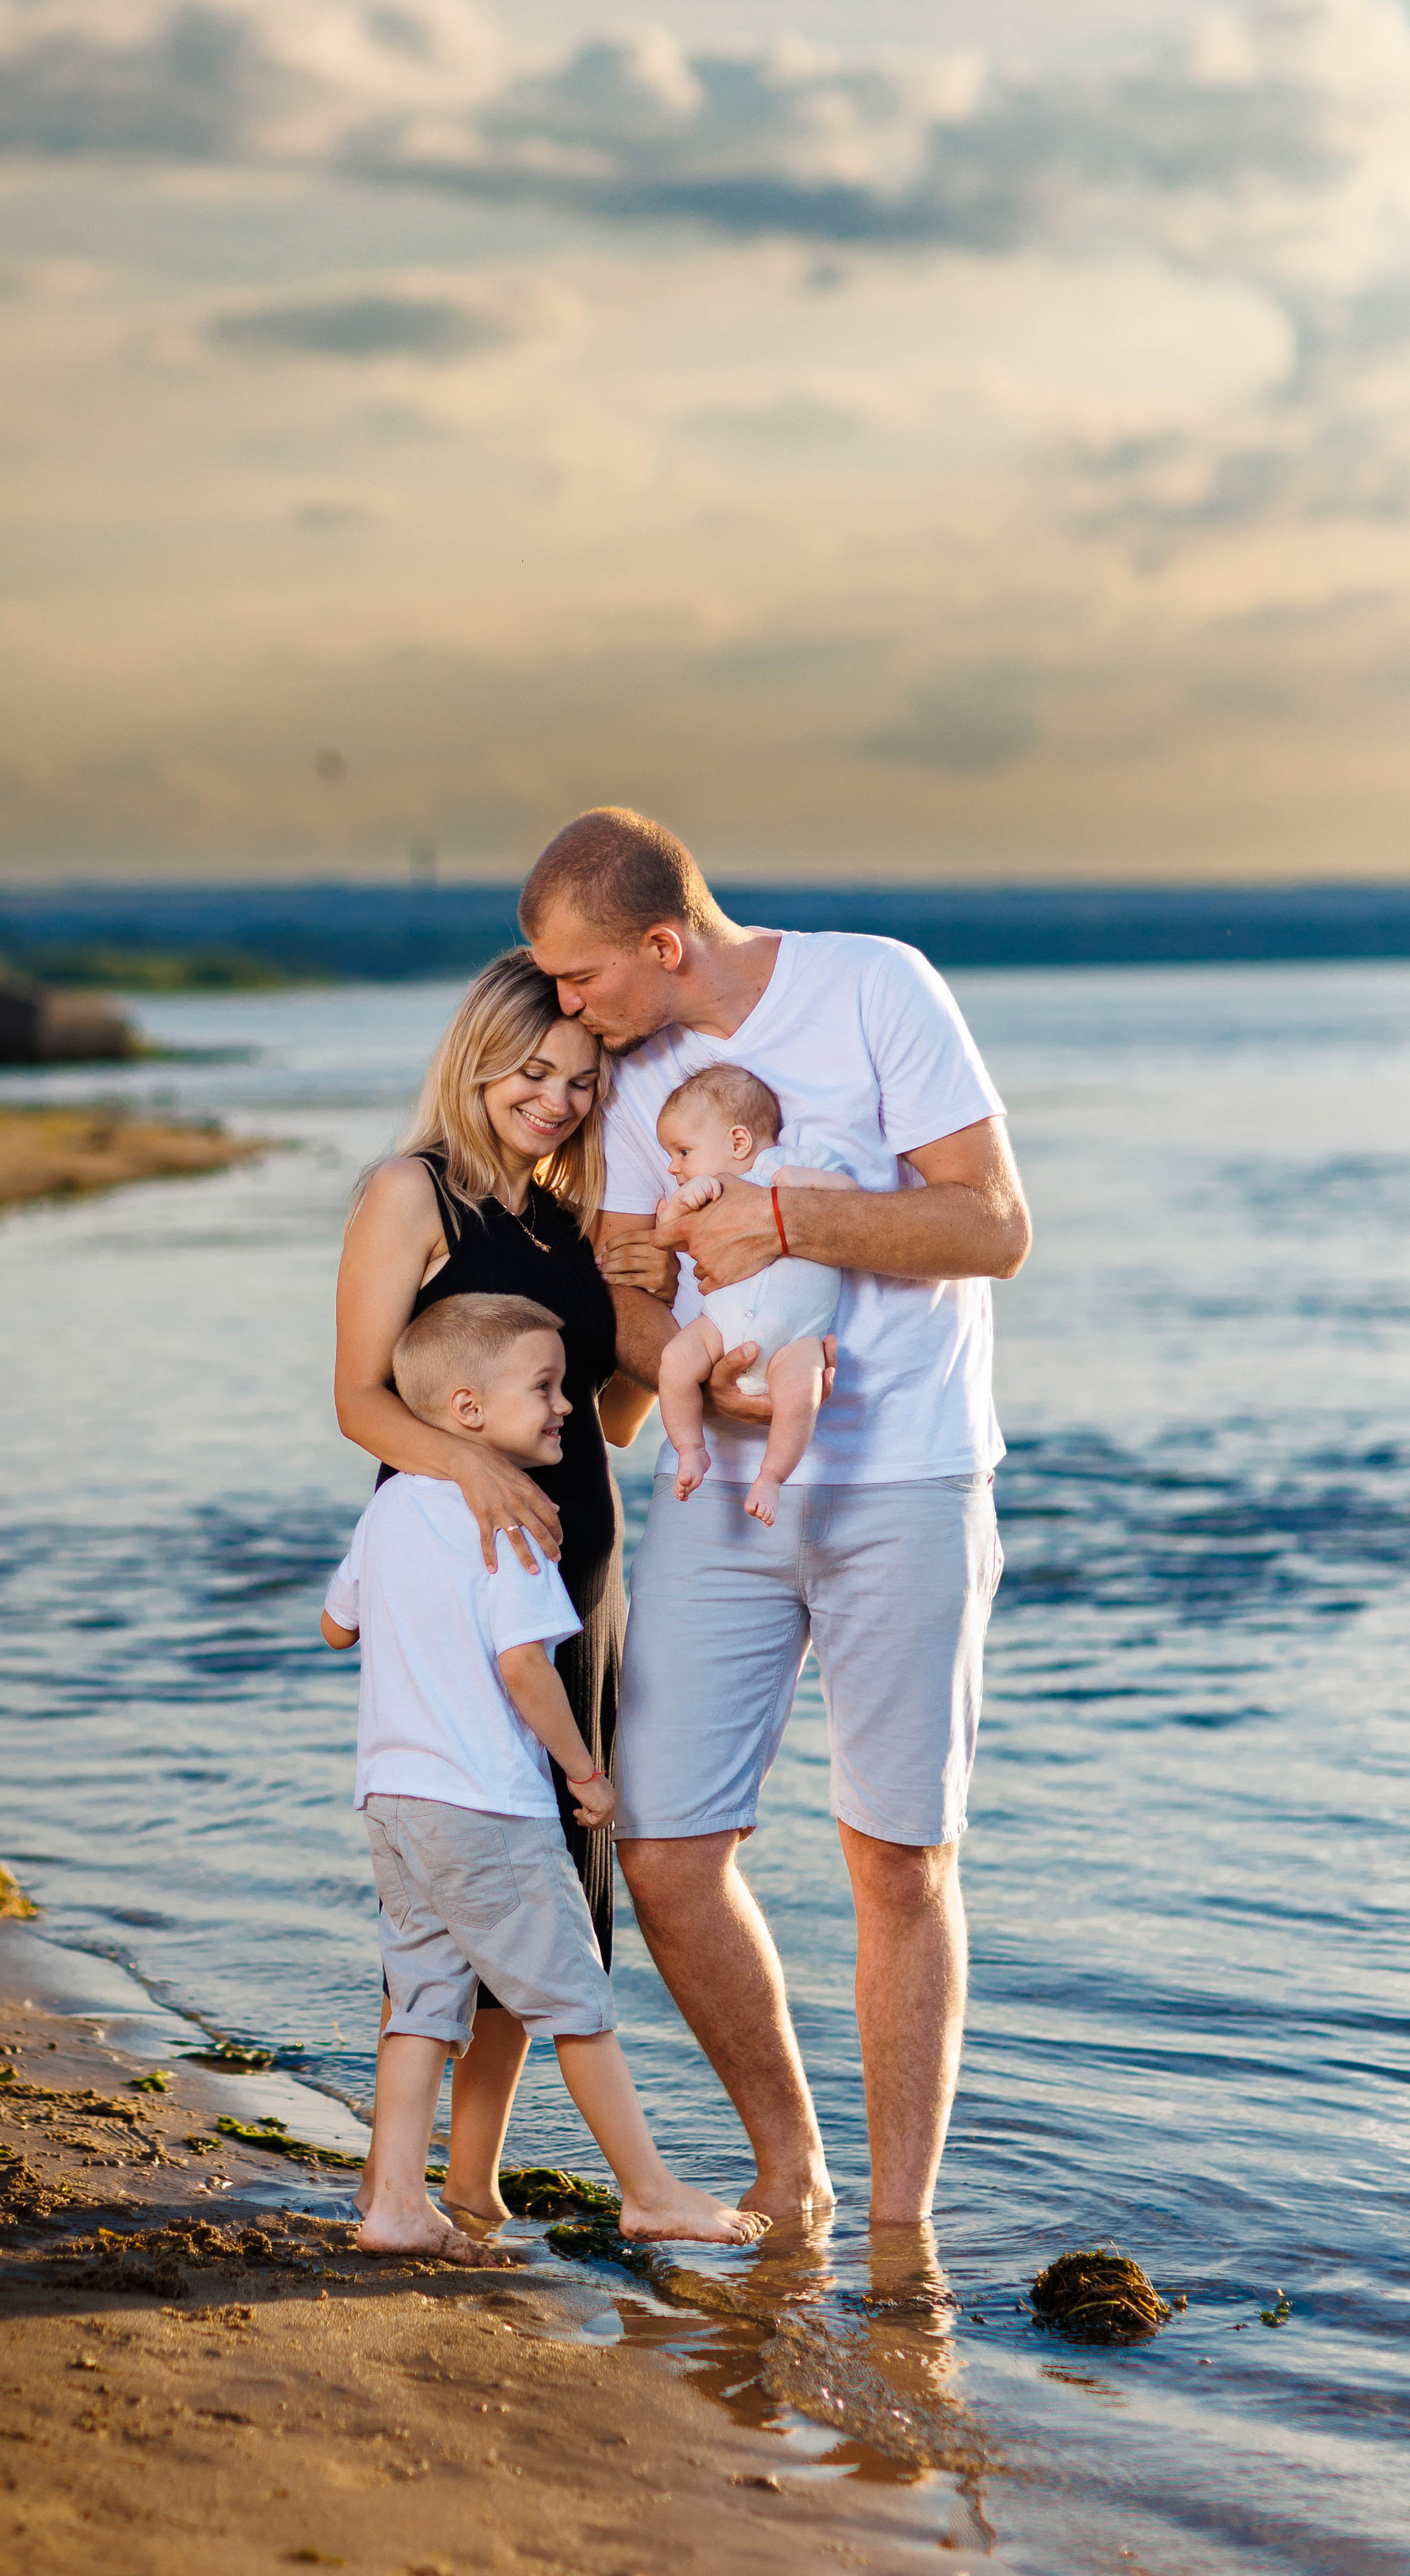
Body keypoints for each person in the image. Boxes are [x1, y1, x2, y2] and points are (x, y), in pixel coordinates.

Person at [520, 807, 1032, 2232]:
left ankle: (895, 2228)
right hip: (716, 1503)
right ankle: (788, 2171)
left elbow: (989, 1226)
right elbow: (627, 1296)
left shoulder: (877, 989)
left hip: (904, 1481)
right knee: (666, 1852)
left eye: (576, 979)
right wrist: (696, 1383)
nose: (566, 1009)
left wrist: (789, 1223)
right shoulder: (626, 1083)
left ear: (660, 945)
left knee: (896, 1859)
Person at [322, 1289, 765, 2262]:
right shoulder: (514, 1526)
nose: (569, 1405)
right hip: (487, 1805)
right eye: (547, 1386)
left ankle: (395, 2199)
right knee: (577, 2003)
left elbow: (335, 1623)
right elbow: (527, 1667)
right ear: (469, 1410)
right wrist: (587, 1773)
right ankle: (648, 2191)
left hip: (394, 1799)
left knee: (425, 2004)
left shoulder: (392, 1503)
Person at [333, 947, 658, 2226]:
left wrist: (654, 1307)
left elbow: (609, 1419)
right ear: (476, 1061)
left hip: (577, 1580)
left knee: (556, 1888)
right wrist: (474, 1467)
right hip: (465, 1577)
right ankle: (397, 2182)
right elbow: (359, 1400)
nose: (557, 1100)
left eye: (581, 1082)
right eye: (534, 1072)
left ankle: (470, 2188)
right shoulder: (410, 1194)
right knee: (467, 1866)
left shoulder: (562, 1222)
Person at [650, 1064, 848, 1526]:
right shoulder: (702, 1194)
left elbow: (850, 1195)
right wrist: (683, 1201)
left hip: (796, 1337)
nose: (672, 1166)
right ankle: (691, 1449)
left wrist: (802, 1185)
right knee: (676, 1360)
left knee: (803, 1391)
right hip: (719, 1326)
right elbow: (666, 1233)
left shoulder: (801, 1164)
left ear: (738, 1142)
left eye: (683, 1151)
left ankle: (772, 1477)